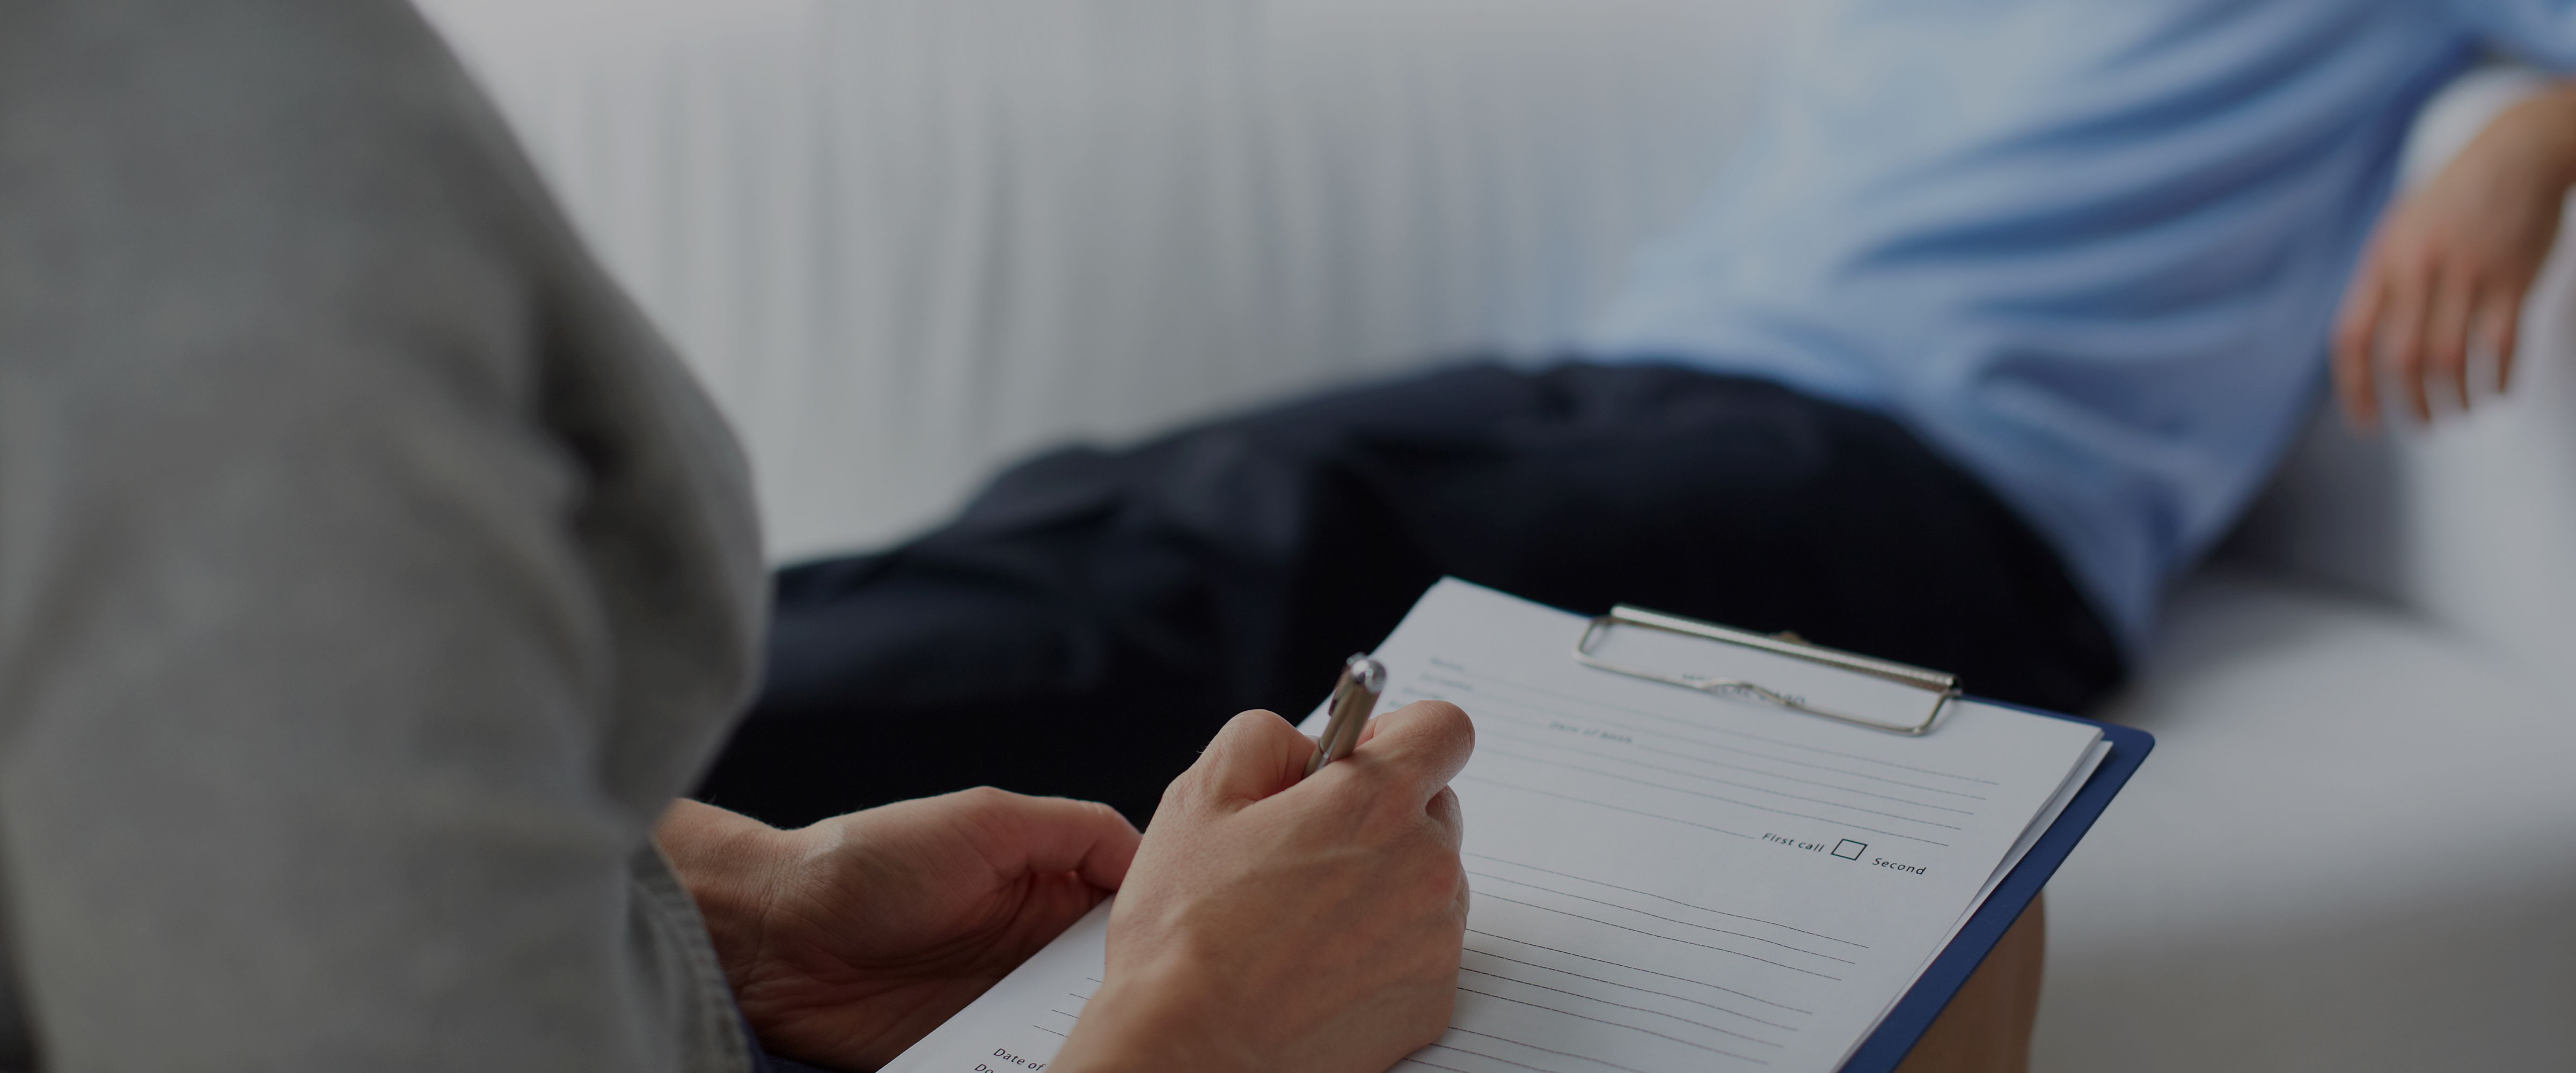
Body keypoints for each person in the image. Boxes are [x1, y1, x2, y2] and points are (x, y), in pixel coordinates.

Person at [1, 2, 2052, 1071]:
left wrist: (728, 908)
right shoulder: (201, 181)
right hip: (1735, 385)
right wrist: (1206, 1034)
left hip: (1840, 431)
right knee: (1946, 968)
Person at [700, 1, 2576, 832]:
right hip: (1659, 379)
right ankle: (631, 689)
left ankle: (620, 753)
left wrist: (2529, 134)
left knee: (1267, 556)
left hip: (1944, 494)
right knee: (1120, 492)